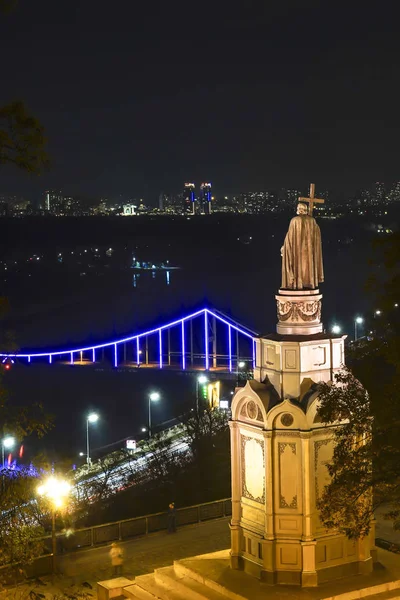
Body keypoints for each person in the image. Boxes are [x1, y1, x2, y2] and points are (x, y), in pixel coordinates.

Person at [281, 202, 324, 290]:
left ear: (299, 210)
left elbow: (289, 238)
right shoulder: (312, 221)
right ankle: (309, 281)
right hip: (309, 252)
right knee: (308, 265)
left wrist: (284, 248)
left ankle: (297, 283)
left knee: (298, 265)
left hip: (297, 252)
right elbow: (317, 237)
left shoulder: (295, 220)